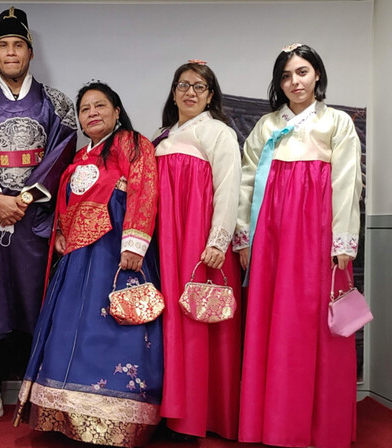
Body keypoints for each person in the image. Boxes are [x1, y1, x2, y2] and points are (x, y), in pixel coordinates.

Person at [13, 82, 162, 448]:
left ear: (116, 111)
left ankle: (115, 421)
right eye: (85, 108)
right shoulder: (79, 158)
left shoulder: (132, 143)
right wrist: (62, 232)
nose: (92, 112)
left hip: (115, 252)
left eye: (100, 105)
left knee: (112, 331)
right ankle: (64, 414)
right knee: (69, 329)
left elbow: (145, 189)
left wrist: (135, 243)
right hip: (77, 258)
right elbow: (67, 204)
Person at [0, 6, 77, 427]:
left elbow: (61, 154)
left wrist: (23, 198)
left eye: (18, 45)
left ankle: (33, 393)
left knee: (35, 304)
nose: (11, 52)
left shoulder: (58, 104)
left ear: (29, 52)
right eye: (3, 46)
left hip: (35, 221)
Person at [234, 43, 363, 448]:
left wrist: (342, 240)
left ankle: (321, 426)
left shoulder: (337, 123)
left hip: (316, 232)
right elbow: (246, 182)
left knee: (312, 320)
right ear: (279, 83)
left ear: (318, 75)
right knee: (273, 317)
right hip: (270, 233)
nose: (296, 82)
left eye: (303, 72)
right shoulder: (266, 126)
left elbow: (347, 184)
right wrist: (244, 235)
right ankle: (271, 422)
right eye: (287, 76)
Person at [152, 60, 242, 442]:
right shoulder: (161, 137)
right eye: (183, 84)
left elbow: (229, 187)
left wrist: (218, 241)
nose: (190, 92)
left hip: (197, 239)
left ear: (210, 95)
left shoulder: (219, 133)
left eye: (200, 87)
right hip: (164, 239)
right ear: (173, 92)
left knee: (194, 322)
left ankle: (194, 416)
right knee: (167, 319)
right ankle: (168, 408)